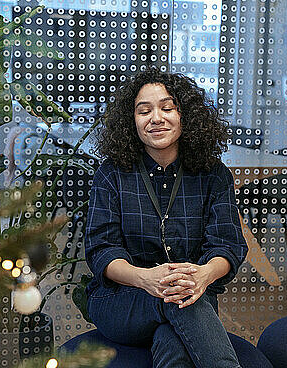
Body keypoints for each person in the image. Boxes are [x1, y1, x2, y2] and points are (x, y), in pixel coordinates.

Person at [84, 67, 247, 367]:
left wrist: (203, 276)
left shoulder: (214, 175)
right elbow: (101, 250)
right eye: (144, 111)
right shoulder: (112, 174)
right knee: (178, 299)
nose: (156, 118)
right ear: (131, 122)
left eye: (167, 108)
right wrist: (145, 279)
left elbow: (228, 245)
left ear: (185, 116)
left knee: (173, 339)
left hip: (193, 292)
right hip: (122, 299)